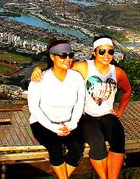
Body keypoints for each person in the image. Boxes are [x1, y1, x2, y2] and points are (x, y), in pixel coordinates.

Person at [32, 36, 131, 179]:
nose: (106, 55)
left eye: (110, 52)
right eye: (102, 51)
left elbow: (127, 91)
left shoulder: (117, 72)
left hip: (107, 114)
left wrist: (120, 111)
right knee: (97, 143)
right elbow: (59, 67)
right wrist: (39, 70)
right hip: (86, 115)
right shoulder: (83, 67)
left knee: (118, 140)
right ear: (94, 52)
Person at [28, 39, 86, 179]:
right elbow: (34, 108)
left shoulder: (76, 77)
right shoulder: (40, 79)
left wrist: (72, 124)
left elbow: (80, 103)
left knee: (78, 149)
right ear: (52, 57)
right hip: (42, 123)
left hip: (68, 123)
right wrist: (54, 128)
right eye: (62, 55)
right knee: (55, 149)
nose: (68, 59)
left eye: (70, 55)